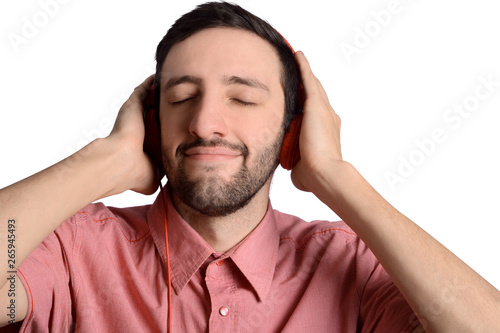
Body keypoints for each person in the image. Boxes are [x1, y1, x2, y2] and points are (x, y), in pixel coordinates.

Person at [0, 1, 499, 332]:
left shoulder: (350, 264)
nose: (205, 122)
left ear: (291, 132)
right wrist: (106, 160)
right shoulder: (74, 249)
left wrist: (336, 177)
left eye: (241, 98)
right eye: (182, 97)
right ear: (154, 125)